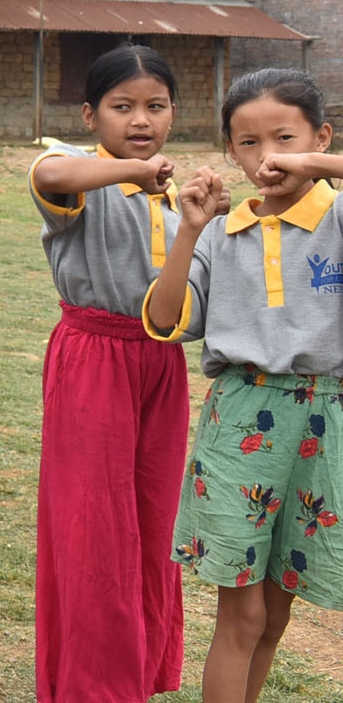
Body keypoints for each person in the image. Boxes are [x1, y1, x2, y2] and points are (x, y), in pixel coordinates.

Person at [144, 68, 343, 703]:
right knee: (244, 614)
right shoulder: (221, 235)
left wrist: (317, 166)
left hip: (326, 422)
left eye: (285, 139)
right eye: (248, 143)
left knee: (278, 615)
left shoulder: (338, 219)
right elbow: (165, 319)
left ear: (321, 137)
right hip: (241, 423)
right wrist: (189, 230)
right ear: (229, 150)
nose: (267, 158)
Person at [28, 44, 190, 701]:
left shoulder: (171, 192)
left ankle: (140, 669)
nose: (140, 118)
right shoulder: (74, 175)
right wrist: (129, 169)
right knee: (93, 526)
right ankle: (92, 684)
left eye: (155, 105)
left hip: (161, 363)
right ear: (91, 116)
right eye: (122, 106)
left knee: (154, 523)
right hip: (93, 358)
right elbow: (50, 175)